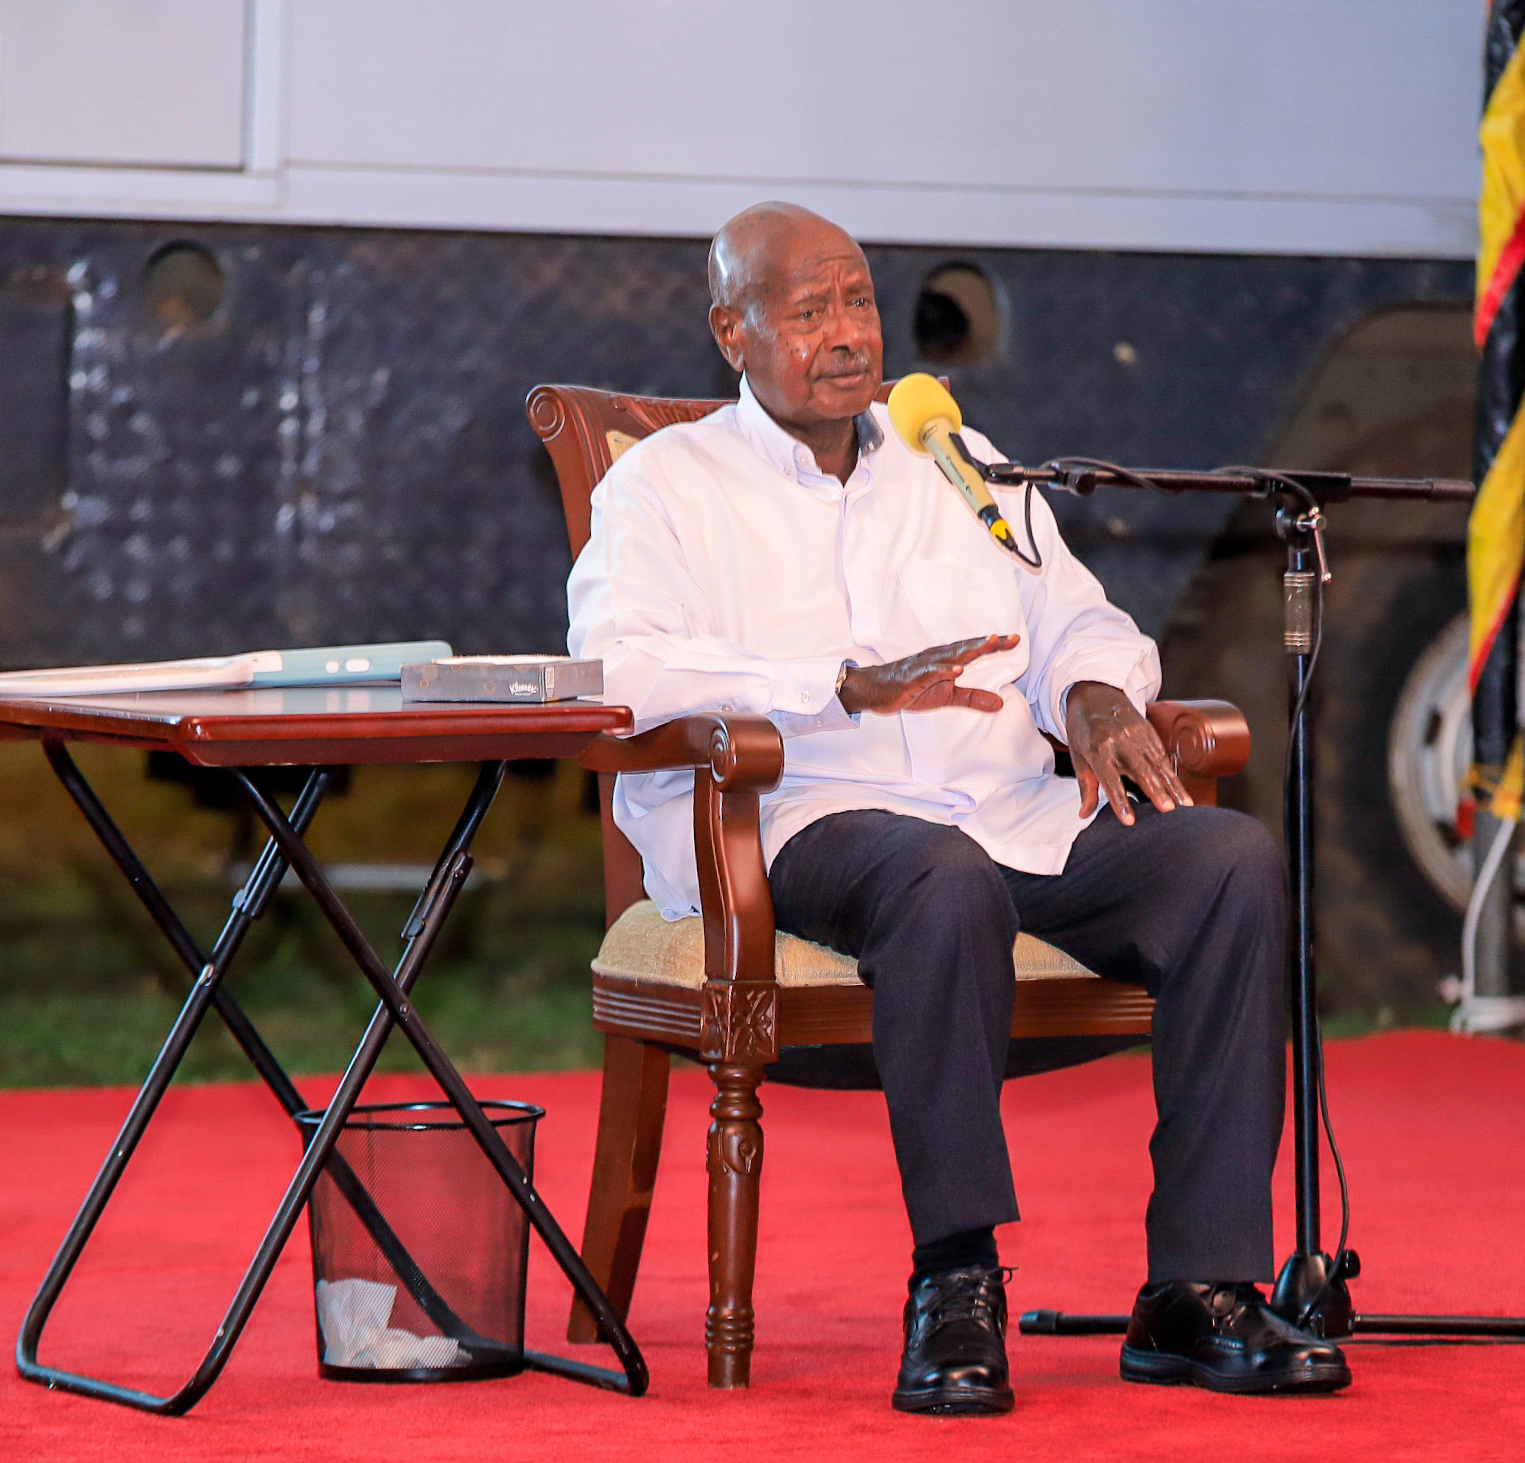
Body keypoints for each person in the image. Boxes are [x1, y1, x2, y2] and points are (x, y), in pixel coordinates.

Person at [566, 201, 1348, 1413]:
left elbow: (1078, 617)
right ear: (733, 331)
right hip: (800, 822)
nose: (846, 334)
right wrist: (830, 685)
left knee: (1225, 861)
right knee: (940, 876)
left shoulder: (961, 460)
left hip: (1004, 812)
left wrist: (1091, 692)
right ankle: (955, 1278)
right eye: (808, 308)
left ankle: (1200, 1288)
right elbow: (617, 674)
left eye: (860, 301)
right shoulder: (666, 486)